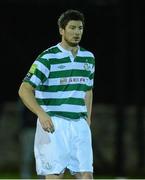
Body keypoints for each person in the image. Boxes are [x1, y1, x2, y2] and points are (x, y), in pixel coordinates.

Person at [18, 9, 95, 179]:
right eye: (72, 28)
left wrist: (87, 119)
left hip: (79, 124)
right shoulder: (48, 57)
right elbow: (24, 89)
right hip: (54, 124)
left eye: (80, 28)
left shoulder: (88, 58)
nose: (77, 32)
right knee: (55, 175)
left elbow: (88, 90)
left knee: (86, 175)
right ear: (62, 30)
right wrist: (41, 114)